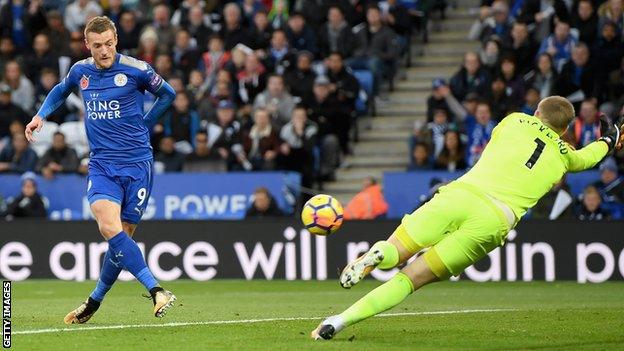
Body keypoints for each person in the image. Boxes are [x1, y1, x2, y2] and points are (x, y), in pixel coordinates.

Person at [311, 96, 623, 340]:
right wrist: (611, 138)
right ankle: (338, 322)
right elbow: (589, 157)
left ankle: (378, 254)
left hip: (461, 194)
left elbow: (529, 135)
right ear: (566, 130)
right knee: (413, 278)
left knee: (399, 248)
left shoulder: (514, 121)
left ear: (537, 114)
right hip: (493, 219)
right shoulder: (565, 155)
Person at [24, 16, 177, 325]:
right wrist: (40, 115)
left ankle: (94, 301)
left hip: (137, 165)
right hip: (102, 164)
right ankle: (157, 289)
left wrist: (145, 125)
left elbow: (168, 94)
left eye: (109, 44)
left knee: (120, 241)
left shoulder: (136, 69)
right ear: (87, 45)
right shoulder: (81, 71)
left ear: (116, 40)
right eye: (97, 46)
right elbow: (60, 89)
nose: (104, 51)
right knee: (109, 228)